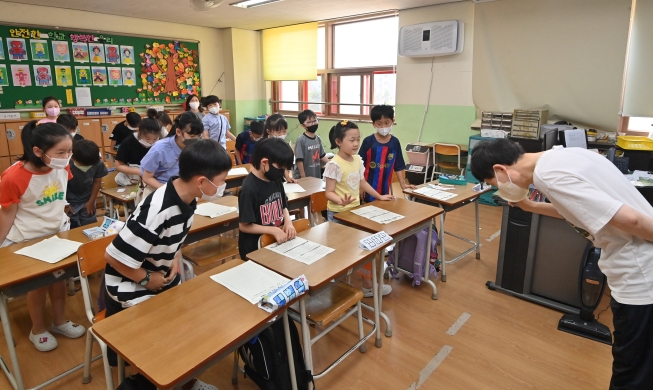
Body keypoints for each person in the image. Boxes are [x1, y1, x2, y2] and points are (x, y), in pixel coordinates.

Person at [469, 138, 653, 389]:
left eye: (494, 184)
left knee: (631, 371)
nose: (500, 189)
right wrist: (531, 205)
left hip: (639, 275)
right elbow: (579, 209)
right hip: (642, 265)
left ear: (501, 170)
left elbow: (631, 221)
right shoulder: (563, 156)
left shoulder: (549, 175)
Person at [104, 139, 231, 390]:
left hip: (159, 276)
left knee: (197, 319)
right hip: (131, 283)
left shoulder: (189, 197)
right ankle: (172, 381)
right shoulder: (159, 208)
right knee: (175, 334)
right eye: (221, 180)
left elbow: (173, 237)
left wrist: (173, 256)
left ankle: (186, 381)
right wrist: (145, 278)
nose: (223, 186)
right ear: (201, 182)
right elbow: (113, 257)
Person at [0, 121, 85, 351]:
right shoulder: (13, 176)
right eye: (61, 152)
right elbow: (7, 215)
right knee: (37, 288)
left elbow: (58, 200)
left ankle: (58, 322)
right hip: (27, 240)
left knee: (59, 282)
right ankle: (37, 329)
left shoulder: (62, 166)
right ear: (38, 151)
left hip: (57, 234)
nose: (67, 157)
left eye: (69, 151)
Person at [324, 120, 394, 297]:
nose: (356, 144)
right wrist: (341, 201)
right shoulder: (334, 164)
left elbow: (362, 182)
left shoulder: (357, 160)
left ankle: (367, 284)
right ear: (339, 141)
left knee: (364, 248)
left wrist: (379, 196)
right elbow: (328, 193)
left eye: (358, 139)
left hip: (355, 211)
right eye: (351, 140)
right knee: (343, 252)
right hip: (338, 215)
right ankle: (339, 284)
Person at [238, 137, 296, 260]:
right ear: (264, 163)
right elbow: (244, 226)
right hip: (255, 249)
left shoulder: (275, 179)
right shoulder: (249, 189)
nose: (283, 172)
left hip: (275, 242)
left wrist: (288, 222)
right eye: (281, 168)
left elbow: (283, 204)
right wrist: (272, 230)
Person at [140, 112, 203, 199]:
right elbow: (147, 178)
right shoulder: (159, 149)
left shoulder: (196, 147)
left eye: (199, 136)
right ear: (178, 132)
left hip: (183, 190)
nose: (196, 140)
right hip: (159, 192)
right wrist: (170, 191)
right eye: (192, 136)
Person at [359, 105, 414, 202]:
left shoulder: (395, 142)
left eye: (387, 123)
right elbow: (359, 166)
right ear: (373, 124)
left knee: (382, 208)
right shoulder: (368, 141)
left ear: (392, 121)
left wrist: (402, 184)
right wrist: (361, 186)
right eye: (379, 124)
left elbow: (399, 166)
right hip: (368, 186)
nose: (383, 127)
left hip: (385, 188)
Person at [66, 140, 108, 228]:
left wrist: (91, 202)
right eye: (83, 165)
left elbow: (97, 182)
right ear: (73, 157)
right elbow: (60, 187)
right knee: (72, 228)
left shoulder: (97, 163)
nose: (87, 167)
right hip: (69, 201)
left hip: (88, 200)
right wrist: (65, 204)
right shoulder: (67, 165)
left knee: (91, 226)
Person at [114, 117, 162, 186]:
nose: (151, 142)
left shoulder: (161, 143)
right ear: (138, 131)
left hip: (151, 182)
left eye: (155, 139)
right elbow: (118, 165)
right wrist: (140, 171)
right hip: (129, 182)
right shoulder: (128, 142)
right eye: (147, 139)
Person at [293, 110, 329, 179]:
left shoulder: (317, 139)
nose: (313, 124)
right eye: (309, 122)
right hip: (304, 176)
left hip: (315, 175)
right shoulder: (301, 140)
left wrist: (332, 164)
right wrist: (303, 176)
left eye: (315, 121)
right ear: (303, 125)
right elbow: (299, 160)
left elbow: (322, 156)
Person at [263, 114, 296, 183]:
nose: (282, 134)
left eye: (284, 131)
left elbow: (282, 164)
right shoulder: (263, 146)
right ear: (269, 131)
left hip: (278, 179)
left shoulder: (284, 145)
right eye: (278, 132)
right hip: (265, 180)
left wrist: (287, 177)